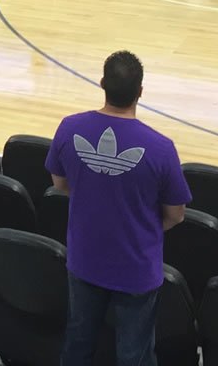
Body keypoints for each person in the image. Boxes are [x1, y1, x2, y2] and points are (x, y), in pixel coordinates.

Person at [47, 51, 189, 366]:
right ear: (140, 92)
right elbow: (176, 215)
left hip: (84, 258)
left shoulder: (69, 128)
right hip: (136, 267)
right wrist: (141, 225)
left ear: (102, 84)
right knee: (134, 354)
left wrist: (94, 199)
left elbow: (59, 184)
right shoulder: (161, 148)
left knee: (78, 343)